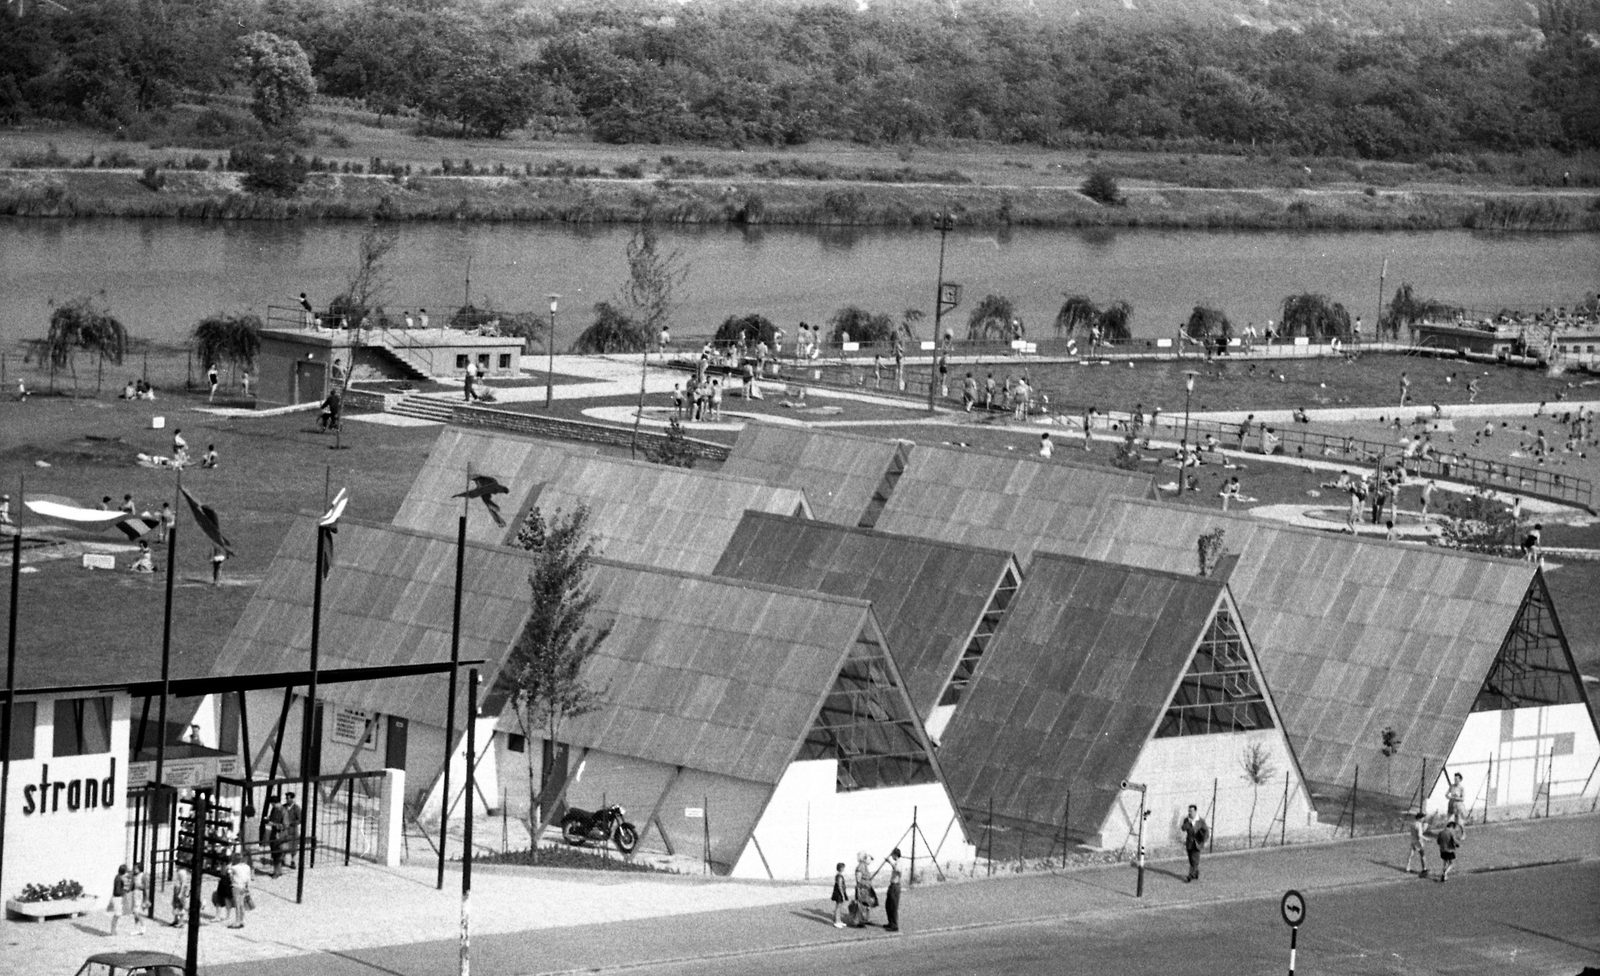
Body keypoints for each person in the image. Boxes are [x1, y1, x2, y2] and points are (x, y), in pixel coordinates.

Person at [109, 862, 147, 935]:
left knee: (136, 911)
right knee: (133, 912)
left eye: (136, 868)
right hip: (133, 895)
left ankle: (142, 925)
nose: (134, 870)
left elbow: (145, 887)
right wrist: (126, 890)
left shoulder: (142, 876)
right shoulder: (130, 877)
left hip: (138, 895)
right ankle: (136, 928)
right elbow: (129, 886)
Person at [1181, 805, 1208, 883]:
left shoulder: (1200, 821)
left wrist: (1203, 840)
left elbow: (1206, 831)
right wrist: (1188, 823)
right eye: (1189, 811)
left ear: (1195, 811)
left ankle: (1190, 876)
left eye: (1191, 811)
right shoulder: (1187, 820)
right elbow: (1183, 828)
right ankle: (1196, 873)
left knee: (1195, 860)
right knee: (1191, 860)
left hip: (1197, 843)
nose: (1190, 813)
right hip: (1189, 843)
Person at [226, 852, 252, 927]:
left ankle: (237, 921)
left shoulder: (233, 868)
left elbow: (229, 874)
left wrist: (231, 864)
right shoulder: (247, 867)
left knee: (237, 904)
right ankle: (242, 920)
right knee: (242, 904)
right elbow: (248, 878)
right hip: (244, 886)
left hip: (236, 886)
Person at [852, 852, 876, 928]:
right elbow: (858, 880)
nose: (869, 861)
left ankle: (866, 919)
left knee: (867, 905)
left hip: (866, 888)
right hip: (862, 889)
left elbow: (872, 859)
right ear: (864, 859)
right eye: (867, 858)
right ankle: (859, 921)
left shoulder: (864, 866)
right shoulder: (860, 867)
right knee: (861, 905)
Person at [1436, 818, 1462, 882]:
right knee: (1451, 863)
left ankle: (1444, 874)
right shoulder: (1451, 832)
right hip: (1449, 849)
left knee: (1445, 862)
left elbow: (1438, 842)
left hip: (1442, 850)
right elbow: (1454, 840)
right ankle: (1445, 873)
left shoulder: (1441, 832)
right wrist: (1458, 844)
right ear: (1452, 827)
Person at [883, 847, 903, 932]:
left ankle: (894, 924)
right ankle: (890, 922)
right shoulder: (897, 862)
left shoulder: (900, 862)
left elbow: (898, 870)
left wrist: (889, 862)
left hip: (895, 885)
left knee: (893, 906)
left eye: (892, 855)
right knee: (888, 905)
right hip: (892, 884)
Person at [1405, 811, 1429, 876]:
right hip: (1418, 842)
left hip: (1412, 840)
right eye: (1423, 818)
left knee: (1411, 854)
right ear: (1419, 818)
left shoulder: (1412, 823)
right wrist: (1426, 839)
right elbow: (1420, 835)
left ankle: (1407, 867)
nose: (1423, 819)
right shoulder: (1419, 824)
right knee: (1422, 855)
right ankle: (1424, 868)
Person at [281, 793, 302, 868]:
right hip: (284, 830)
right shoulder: (283, 807)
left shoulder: (296, 808)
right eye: (286, 798)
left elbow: (300, 819)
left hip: (293, 829)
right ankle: (282, 860)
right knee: (283, 845)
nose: (287, 800)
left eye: (288, 798)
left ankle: (293, 862)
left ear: (292, 799)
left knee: (294, 846)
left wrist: (291, 823)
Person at [830, 862, 849, 928]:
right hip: (839, 893)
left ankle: (839, 920)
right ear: (841, 868)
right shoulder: (839, 876)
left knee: (839, 907)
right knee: (838, 907)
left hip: (839, 892)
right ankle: (836, 921)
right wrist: (842, 895)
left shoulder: (838, 875)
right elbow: (840, 886)